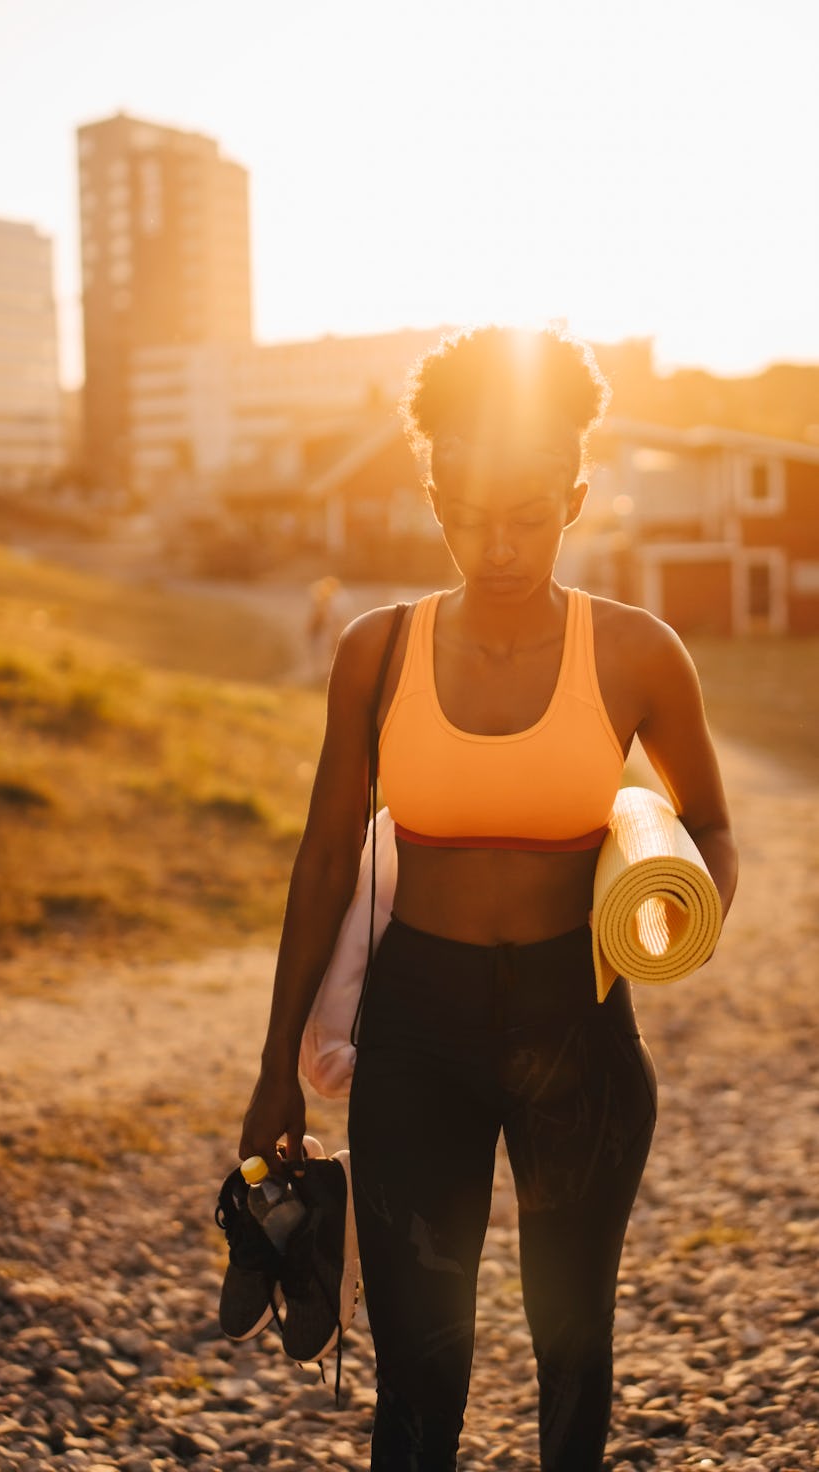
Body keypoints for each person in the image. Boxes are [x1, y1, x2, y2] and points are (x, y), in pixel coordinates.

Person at [239, 325, 738, 1471]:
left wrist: (687, 912)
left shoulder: (638, 652)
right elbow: (322, 858)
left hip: (582, 1025)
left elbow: (707, 823)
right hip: (418, 1028)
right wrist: (275, 1069)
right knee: (420, 1359)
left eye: (526, 512)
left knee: (574, 1340)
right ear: (431, 493)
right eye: (466, 511)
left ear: (575, 496)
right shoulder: (376, 650)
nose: (497, 542)